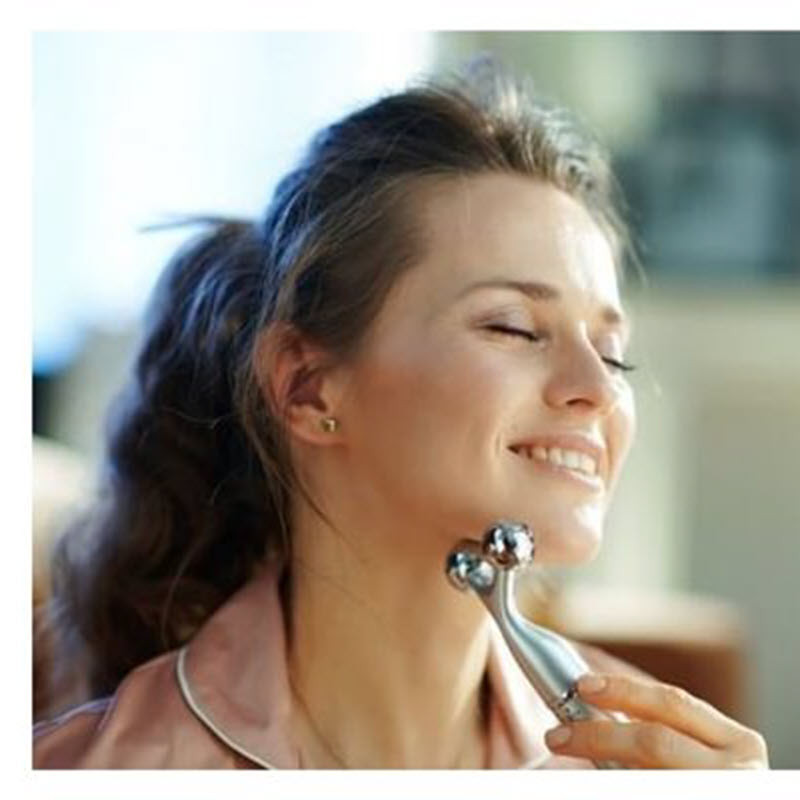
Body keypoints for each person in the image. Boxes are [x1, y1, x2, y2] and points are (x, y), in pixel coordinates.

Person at [33, 64, 769, 769]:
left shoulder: (652, 764)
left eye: (612, 354)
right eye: (513, 326)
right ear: (308, 388)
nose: (598, 389)